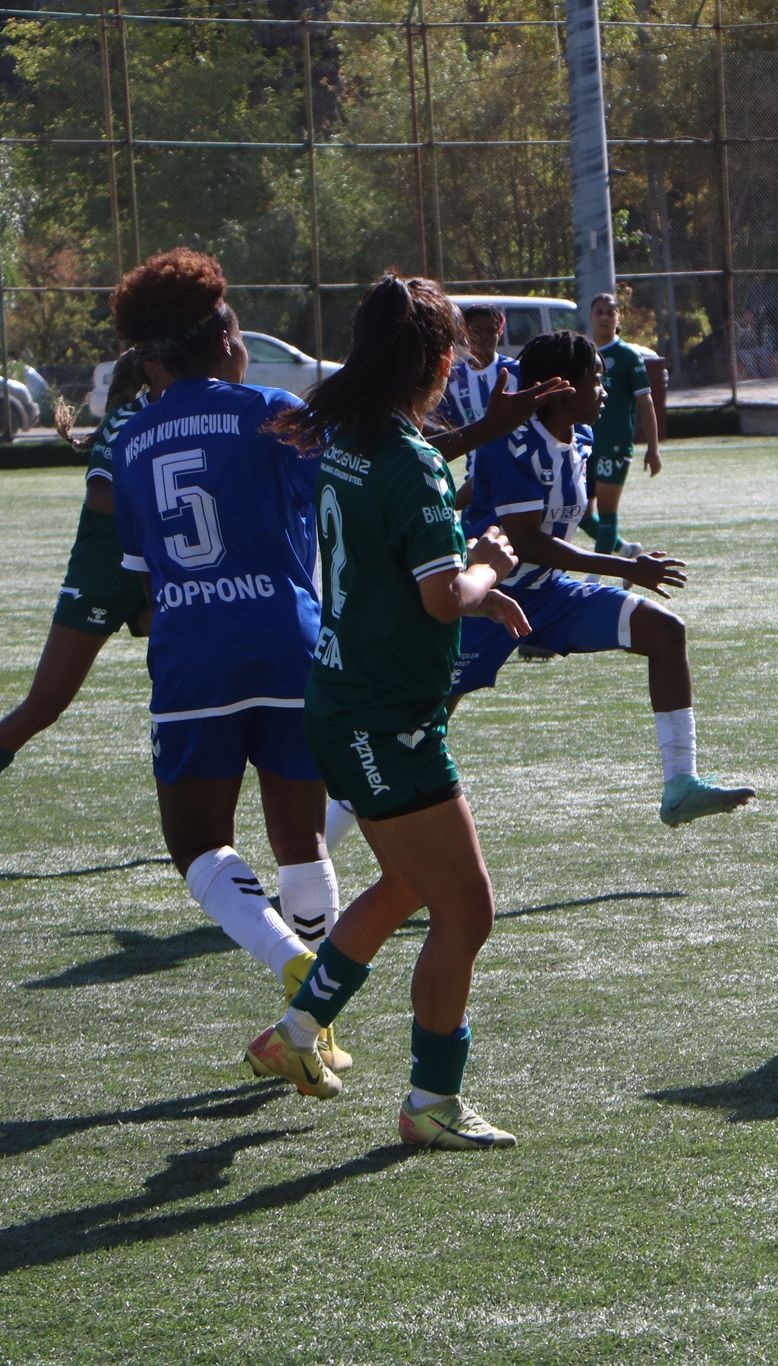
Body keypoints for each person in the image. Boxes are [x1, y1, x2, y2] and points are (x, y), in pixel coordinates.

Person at [247, 274, 536, 1147]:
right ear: (441, 362)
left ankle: (296, 1032)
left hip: (348, 699)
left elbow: (401, 567)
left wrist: (469, 585)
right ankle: (431, 1104)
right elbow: (443, 596)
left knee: (411, 884)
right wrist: (487, 567)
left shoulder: (354, 436)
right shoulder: (406, 457)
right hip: (383, 719)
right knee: (467, 909)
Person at [102, 249, 343, 1047]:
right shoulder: (271, 409)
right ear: (229, 343)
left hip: (193, 655)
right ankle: (317, 1022)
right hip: (287, 641)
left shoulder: (131, 441)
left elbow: (145, 581)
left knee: (198, 844)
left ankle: (290, 962)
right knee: (302, 841)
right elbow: (353, 483)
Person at [450, 329, 755, 827]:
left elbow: (551, 520)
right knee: (417, 734)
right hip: (489, 600)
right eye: (596, 379)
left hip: (548, 593)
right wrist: (627, 567)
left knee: (665, 632)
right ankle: (328, 832)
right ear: (562, 389)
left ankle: (681, 785)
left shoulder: (582, 439)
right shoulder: (515, 446)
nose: (604, 390)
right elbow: (526, 542)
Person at [0, 349, 161, 776]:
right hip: (104, 576)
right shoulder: (128, 420)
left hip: (162, 573)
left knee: (199, 684)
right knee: (45, 704)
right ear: (156, 368)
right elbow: (101, 496)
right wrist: (163, 517)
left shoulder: (195, 412)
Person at [582, 292, 660, 560]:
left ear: (618, 317)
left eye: (610, 312)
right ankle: (627, 551)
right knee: (580, 514)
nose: (604, 317)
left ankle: (594, 577)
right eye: (599, 312)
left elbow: (645, 403)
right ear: (591, 316)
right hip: (584, 444)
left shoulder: (628, 356)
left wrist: (653, 448)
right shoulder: (583, 353)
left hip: (614, 444)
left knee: (607, 513)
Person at [440, 303, 519, 430]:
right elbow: (444, 423)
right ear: (465, 334)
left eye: (491, 330)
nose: (484, 337)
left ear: (499, 333)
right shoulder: (453, 378)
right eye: (476, 331)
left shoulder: (516, 370)